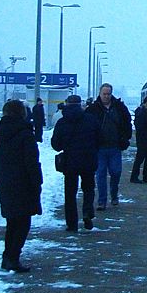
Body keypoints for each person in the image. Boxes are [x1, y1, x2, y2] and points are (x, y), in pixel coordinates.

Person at [0, 99, 42, 271]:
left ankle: (8, 257)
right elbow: (31, 162)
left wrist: (0, 181)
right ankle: (13, 257)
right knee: (23, 223)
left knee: (12, 222)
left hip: (6, 184)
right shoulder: (26, 134)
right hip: (23, 184)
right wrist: (37, 182)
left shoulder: (1, 134)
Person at [51, 93, 102, 230]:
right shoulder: (91, 120)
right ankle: (87, 212)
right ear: (80, 105)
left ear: (67, 104)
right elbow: (100, 139)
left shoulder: (62, 122)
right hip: (88, 161)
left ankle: (72, 224)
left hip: (70, 162)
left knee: (70, 193)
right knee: (88, 189)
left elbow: (56, 145)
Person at [87, 83, 131, 210]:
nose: (106, 96)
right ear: (100, 94)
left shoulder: (119, 108)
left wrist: (125, 138)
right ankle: (102, 201)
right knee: (100, 174)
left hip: (115, 146)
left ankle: (114, 194)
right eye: (104, 94)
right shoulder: (93, 109)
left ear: (111, 94)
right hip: (99, 148)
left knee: (116, 172)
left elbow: (127, 123)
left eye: (108, 94)